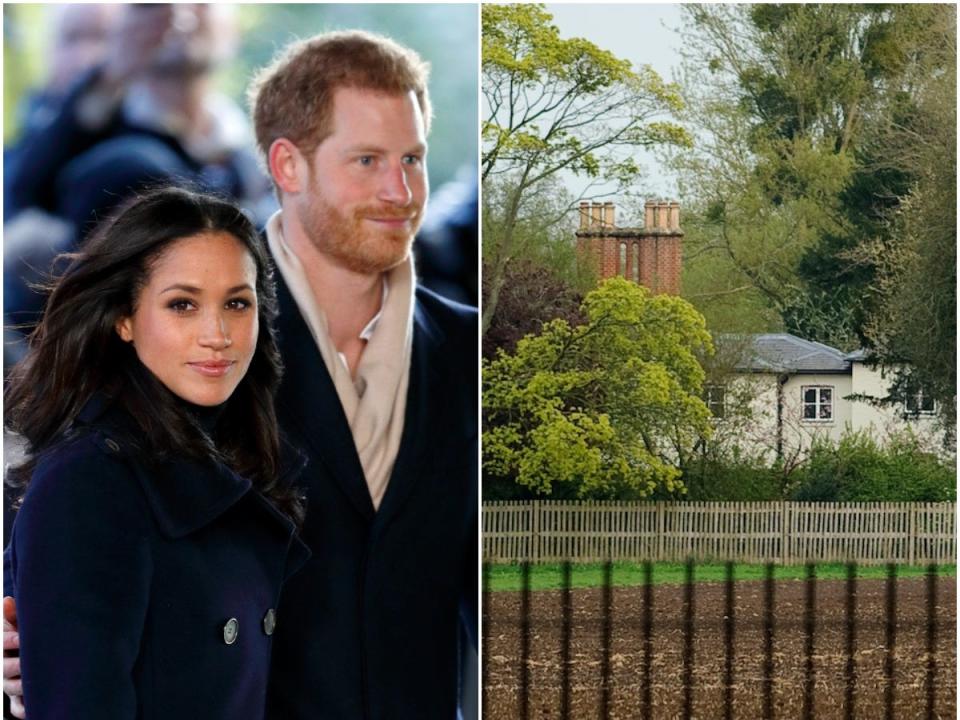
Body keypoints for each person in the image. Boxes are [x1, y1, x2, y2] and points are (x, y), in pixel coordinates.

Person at [5, 29, 478, 720]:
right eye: (368, 159)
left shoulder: (474, 349)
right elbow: (78, 532)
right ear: (287, 164)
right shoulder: (196, 356)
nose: (400, 190)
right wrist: (37, 642)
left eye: (413, 158)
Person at [3, 187, 309, 719]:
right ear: (124, 318)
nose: (217, 335)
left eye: (237, 303)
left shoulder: (249, 463)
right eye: (182, 305)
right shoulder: (87, 485)